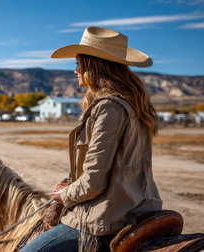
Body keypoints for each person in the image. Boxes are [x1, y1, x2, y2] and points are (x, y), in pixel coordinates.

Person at [20, 26, 162, 252]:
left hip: (107, 217)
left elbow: (94, 181)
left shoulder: (108, 108)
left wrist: (62, 194)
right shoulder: (134, 103)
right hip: (139, 205)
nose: (75, 70)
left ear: (93, 66)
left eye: (78, 63)